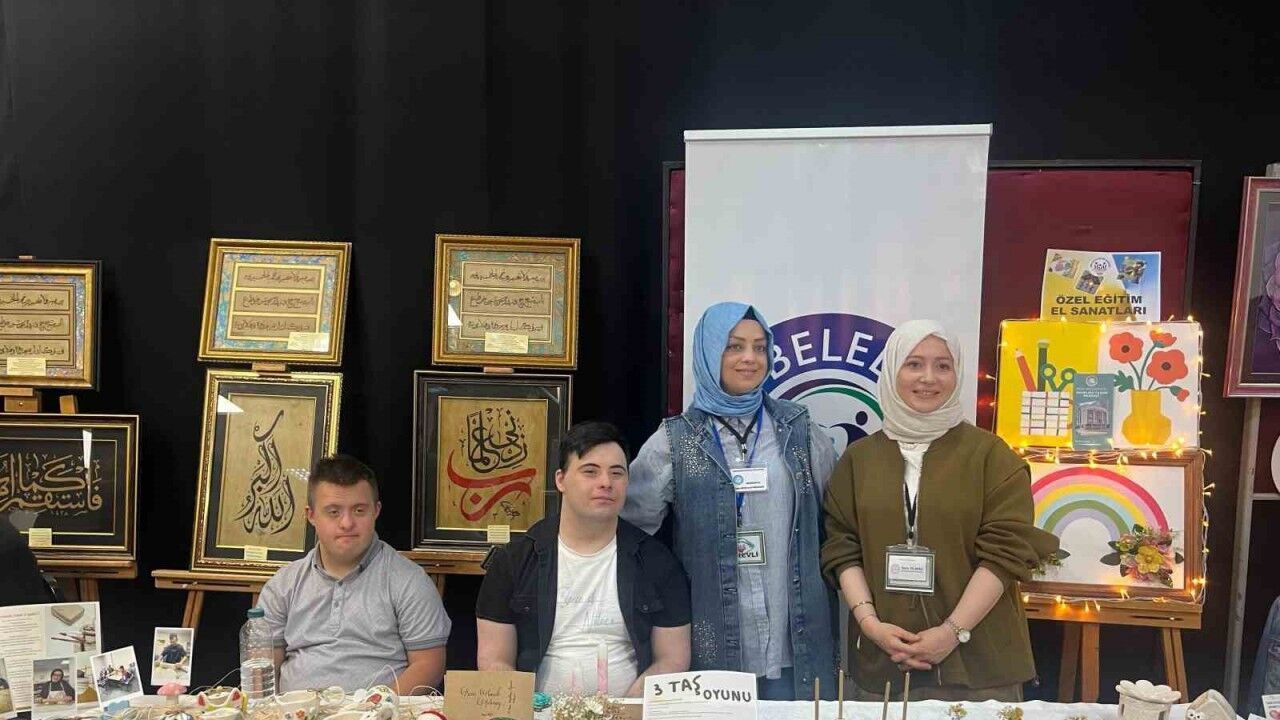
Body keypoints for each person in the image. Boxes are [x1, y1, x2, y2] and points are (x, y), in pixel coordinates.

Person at [820, 320, 1059, 701]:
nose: (928, 378)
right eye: (914, 364)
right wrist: (870, 625)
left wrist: (951, 633)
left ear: (957, 372)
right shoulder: (858, 460)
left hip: (978, 666)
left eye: (942, 366)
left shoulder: (991, 456)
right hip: (885, 661)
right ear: (892, 370)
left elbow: (1006, 554)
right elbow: (842, 548)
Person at [623, 302, 839, 700]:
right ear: (709, 353)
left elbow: (837, 519)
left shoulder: (799, 429)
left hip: (796, 644)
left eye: (760, 347)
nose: (749, 358)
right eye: (734, 346)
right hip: (713, 642)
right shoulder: (675, 439)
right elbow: (632, 532)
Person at [476, 421, 691, 697]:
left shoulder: (658, 562)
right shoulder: (513, 561)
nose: (606, 483)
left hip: (627, 712)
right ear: (560, 480)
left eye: (617, 473)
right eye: (590, 471)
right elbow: (494, 660)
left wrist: (626, 711)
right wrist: (527, 707)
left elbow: (672, 659)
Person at [260, 454, 451, 693]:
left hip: (380, 710)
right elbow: (262, 667)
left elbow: (429, 665)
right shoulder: (283, 584)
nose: (347, 523)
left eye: (359, 510)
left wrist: (376, 707)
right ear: (311, 515)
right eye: (333, 512)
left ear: (376, 511)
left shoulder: (409, 581)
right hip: (294, 708)